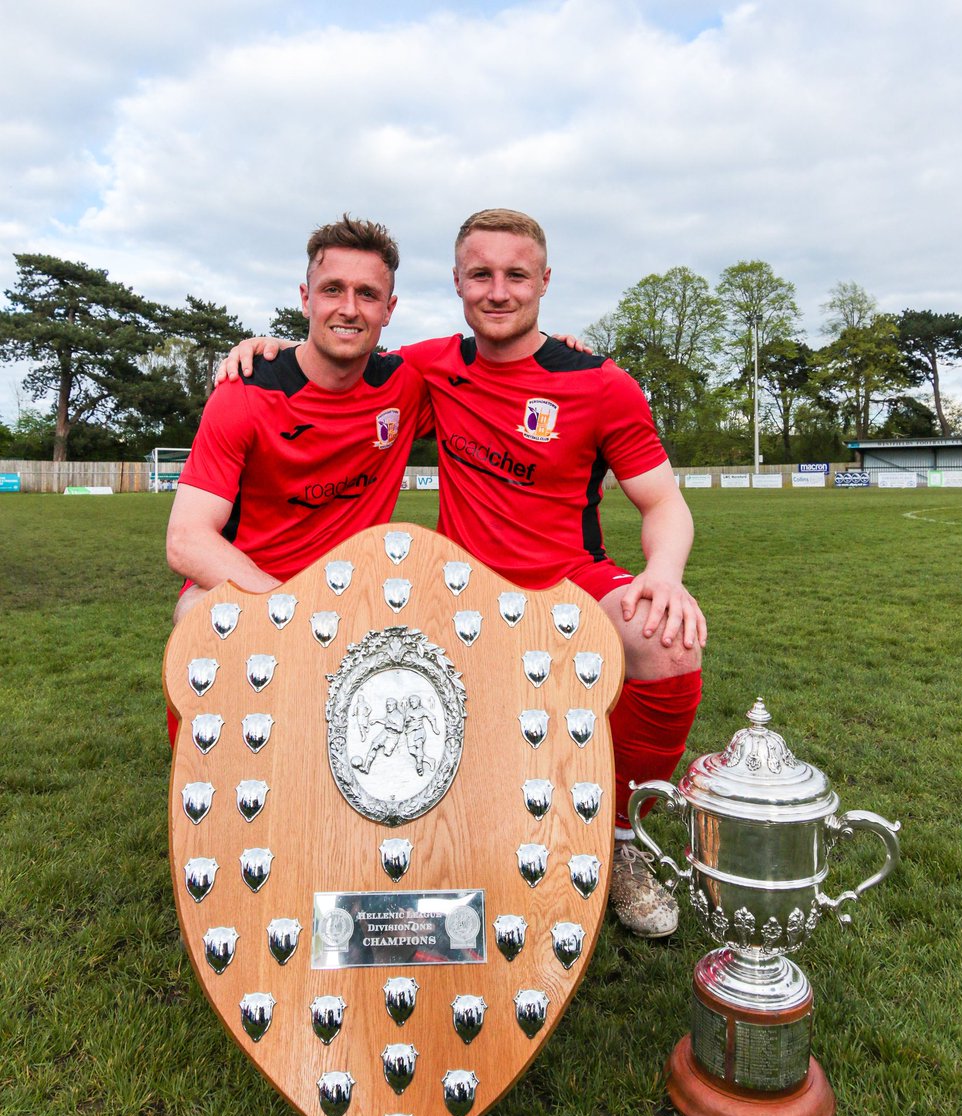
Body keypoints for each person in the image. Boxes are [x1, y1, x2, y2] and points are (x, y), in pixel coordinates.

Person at [219, 209, 705, 939]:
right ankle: (270, 833)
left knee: (668, 644)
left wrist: (664, 572)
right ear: (456, 283)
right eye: (482, 274)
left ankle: (621, 837)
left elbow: (663, 499)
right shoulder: (429, 367)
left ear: (545, 281)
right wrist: (271, 349)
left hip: (567, 582)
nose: (498, 291)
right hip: (458, 594)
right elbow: (342, 352)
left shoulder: (601, 384)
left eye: (516, 275)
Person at [166, 215, 430, 626]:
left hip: (352, 594)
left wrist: (560, 349)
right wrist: (292, 611)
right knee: (198, 611)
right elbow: (187, 540)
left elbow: (502, 372)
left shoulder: (408, 386)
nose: (349, 308)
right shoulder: (245, 391)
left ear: (389, 309)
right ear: (306, 299)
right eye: (332, 290)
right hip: (256, 590)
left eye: (367, 294)